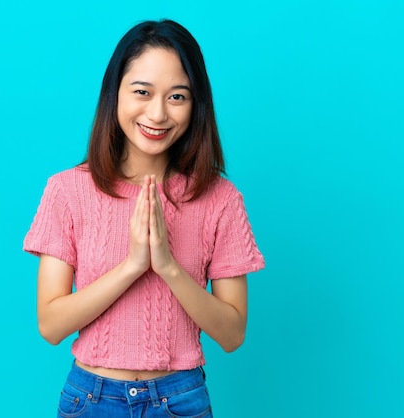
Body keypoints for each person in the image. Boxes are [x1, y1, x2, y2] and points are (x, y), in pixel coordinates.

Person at [23, 19, 265, 418]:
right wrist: (134, 265)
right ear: (115, 93)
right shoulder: (67, 191)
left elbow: (232, 332)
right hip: (91, 399)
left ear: (196, 104)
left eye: (177, 97)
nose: (157, 113)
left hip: (180, 398)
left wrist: (168, 266)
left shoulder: (221, 199)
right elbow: (50, 324)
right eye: (142, 92)